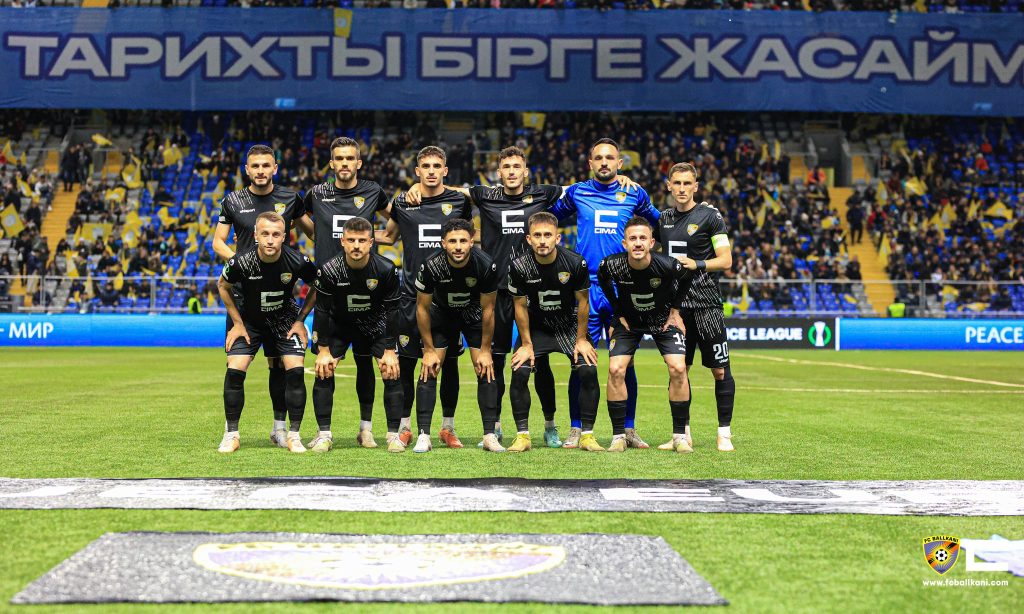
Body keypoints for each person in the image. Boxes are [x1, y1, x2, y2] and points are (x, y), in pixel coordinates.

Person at [403, 145, 638, 448]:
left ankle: (550, 426)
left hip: (534, 292)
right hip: (498, 292)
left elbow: (581, 187)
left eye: (517, 166)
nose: (512, 172)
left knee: (541, 361)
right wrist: (418, 186)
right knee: (497, 361)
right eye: (506, 167)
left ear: (526, 171)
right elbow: (451, 190)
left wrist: (620, 180)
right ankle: (495, 427)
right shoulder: (485, 195)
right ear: (498, 172)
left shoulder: (542, 193)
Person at [551, 138, 660, 449]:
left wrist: (697, 211)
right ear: (590, 163)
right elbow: (545, 215)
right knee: (580, 360)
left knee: (625, 363)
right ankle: (576, 428)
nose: (604, 162)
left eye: (609, 158)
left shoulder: (634, 193)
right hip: (584, 289)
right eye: (598, 158)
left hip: (622, 288)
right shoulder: (577, 192)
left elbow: (662, 223)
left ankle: (628, 428)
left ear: (619, 163)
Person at [212, 144, 314, 450]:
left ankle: (281, 430)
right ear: (247, 169)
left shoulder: (291, 199)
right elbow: (218, 242)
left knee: (279, 366)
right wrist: (242, 265)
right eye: (254, 166)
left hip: (280, 296)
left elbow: (314, 232)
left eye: (265, 165)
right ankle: (231, 432)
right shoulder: (233, 201)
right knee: (236, 365)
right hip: (244, 299)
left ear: (275, 168)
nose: (260, 170)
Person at [377, 146, 472, 449]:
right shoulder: (403, 202)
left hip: (449, 299)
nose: (431, 171)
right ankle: (405, 427)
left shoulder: (459, 201)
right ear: (417, 171)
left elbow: (472, 236)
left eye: (437, 166)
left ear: (445, 170)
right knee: (407, 363)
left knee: (450, 364)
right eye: (426, 166)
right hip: (410, 295)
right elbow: (389, 236)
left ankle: (448, 427)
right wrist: (337, 233)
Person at [300, 136, 391, 448]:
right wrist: (318, 235)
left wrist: (380, 238)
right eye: (339, 158)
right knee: (324, 366)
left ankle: (366, 430)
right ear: (331, 163)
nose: (344, 163)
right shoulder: (317, 194)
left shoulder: (373, 191)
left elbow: (399, 220)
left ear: (358, 163)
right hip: (329, 297)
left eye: (350, 158)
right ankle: (324, 433)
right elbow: (297, 219)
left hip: (367, 296)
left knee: (366, 365)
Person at [657, 163, 737, 452]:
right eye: (677, 183)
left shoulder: (711, 217)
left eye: (687, 183)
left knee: (719, 371)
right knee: (679, 371)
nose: (681, 189)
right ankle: (682, 435)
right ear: (669, 185)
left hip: (706, 305)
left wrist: (698, 263)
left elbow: (726, 260)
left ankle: (724, 434)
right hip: (675, 309)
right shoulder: (663, 218)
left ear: (696, 187)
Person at [507, 212, 602, 452]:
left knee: (588, 370)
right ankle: (524, 436)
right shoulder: (519, 266)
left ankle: (587, 436)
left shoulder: (575, 263)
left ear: (557, 238)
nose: (542, 241)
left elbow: (583, 302)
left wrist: (582, 339)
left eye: (547, 235)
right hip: (537, 328)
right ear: (529, 239)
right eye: (537, 235)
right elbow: (519, 306)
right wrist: (526, 344)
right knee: (520, 372)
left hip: (568, 327)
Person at [597, 216, 692, 453]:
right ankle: (618, 436)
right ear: (625, 243)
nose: (638, 243)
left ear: (651, 243)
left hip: (662, 321)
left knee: (678, 368)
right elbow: (603, 280)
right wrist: (617, 312)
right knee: (615, 369)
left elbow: (688, 277)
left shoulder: (667, 265)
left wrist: (675, 311)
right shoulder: (611, 264)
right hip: (629, 323)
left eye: (642, 238)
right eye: (633, 239)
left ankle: (679, 436)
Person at [310, 217, 404, 453]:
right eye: (351, 240)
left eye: (362, 240)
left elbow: (393, 311)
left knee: (391, 369)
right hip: (339, 325)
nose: (356, 246)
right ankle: (324, 434)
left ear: (371, 242)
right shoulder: (329, 269)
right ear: (342, 241)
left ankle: (386, 434)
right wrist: (323, 350)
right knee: (324, 369)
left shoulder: (386, 269)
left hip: (374, 325)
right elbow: (321, 310)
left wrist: (390, 350)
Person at [413, 218, 502, 453]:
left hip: (473, 314)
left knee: (486, 367)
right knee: (429, 367)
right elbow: (422, 308)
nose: (458, 246)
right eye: (452, 241)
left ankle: (490, 435)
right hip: (441, 314)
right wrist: (428, 350)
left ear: (472, 242)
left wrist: (485, 350)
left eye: (463, 240)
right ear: (443, 243)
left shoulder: (486, 265)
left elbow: (488, 309)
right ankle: (424, 435)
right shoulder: (431, 265)